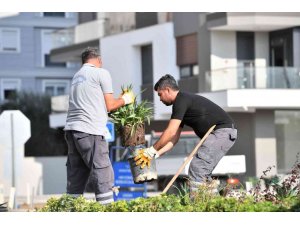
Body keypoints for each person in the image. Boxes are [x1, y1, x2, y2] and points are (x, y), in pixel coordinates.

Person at [134, 74, 237, 195]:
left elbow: (170, 131)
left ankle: (199, 206)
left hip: (222, 132)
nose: (160, 99)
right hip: (220, 134)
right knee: (202, 172)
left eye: (160, 94)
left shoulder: (181, 100)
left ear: (167, 90)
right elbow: (174, 139)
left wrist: (151, 149)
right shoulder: (181, 104)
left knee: (197, 167)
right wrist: (156, 154)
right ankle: (212, 204)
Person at [64, 47, 134, 205]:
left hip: (71, 131)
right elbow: (110, 105)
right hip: (91, 131)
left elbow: (94, 104)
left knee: (76, 175)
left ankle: (69, 211)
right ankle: (106, 212)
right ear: (99, 60)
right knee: (102, 171)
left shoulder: (76, 77)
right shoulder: (101, 73)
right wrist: (125, 99)